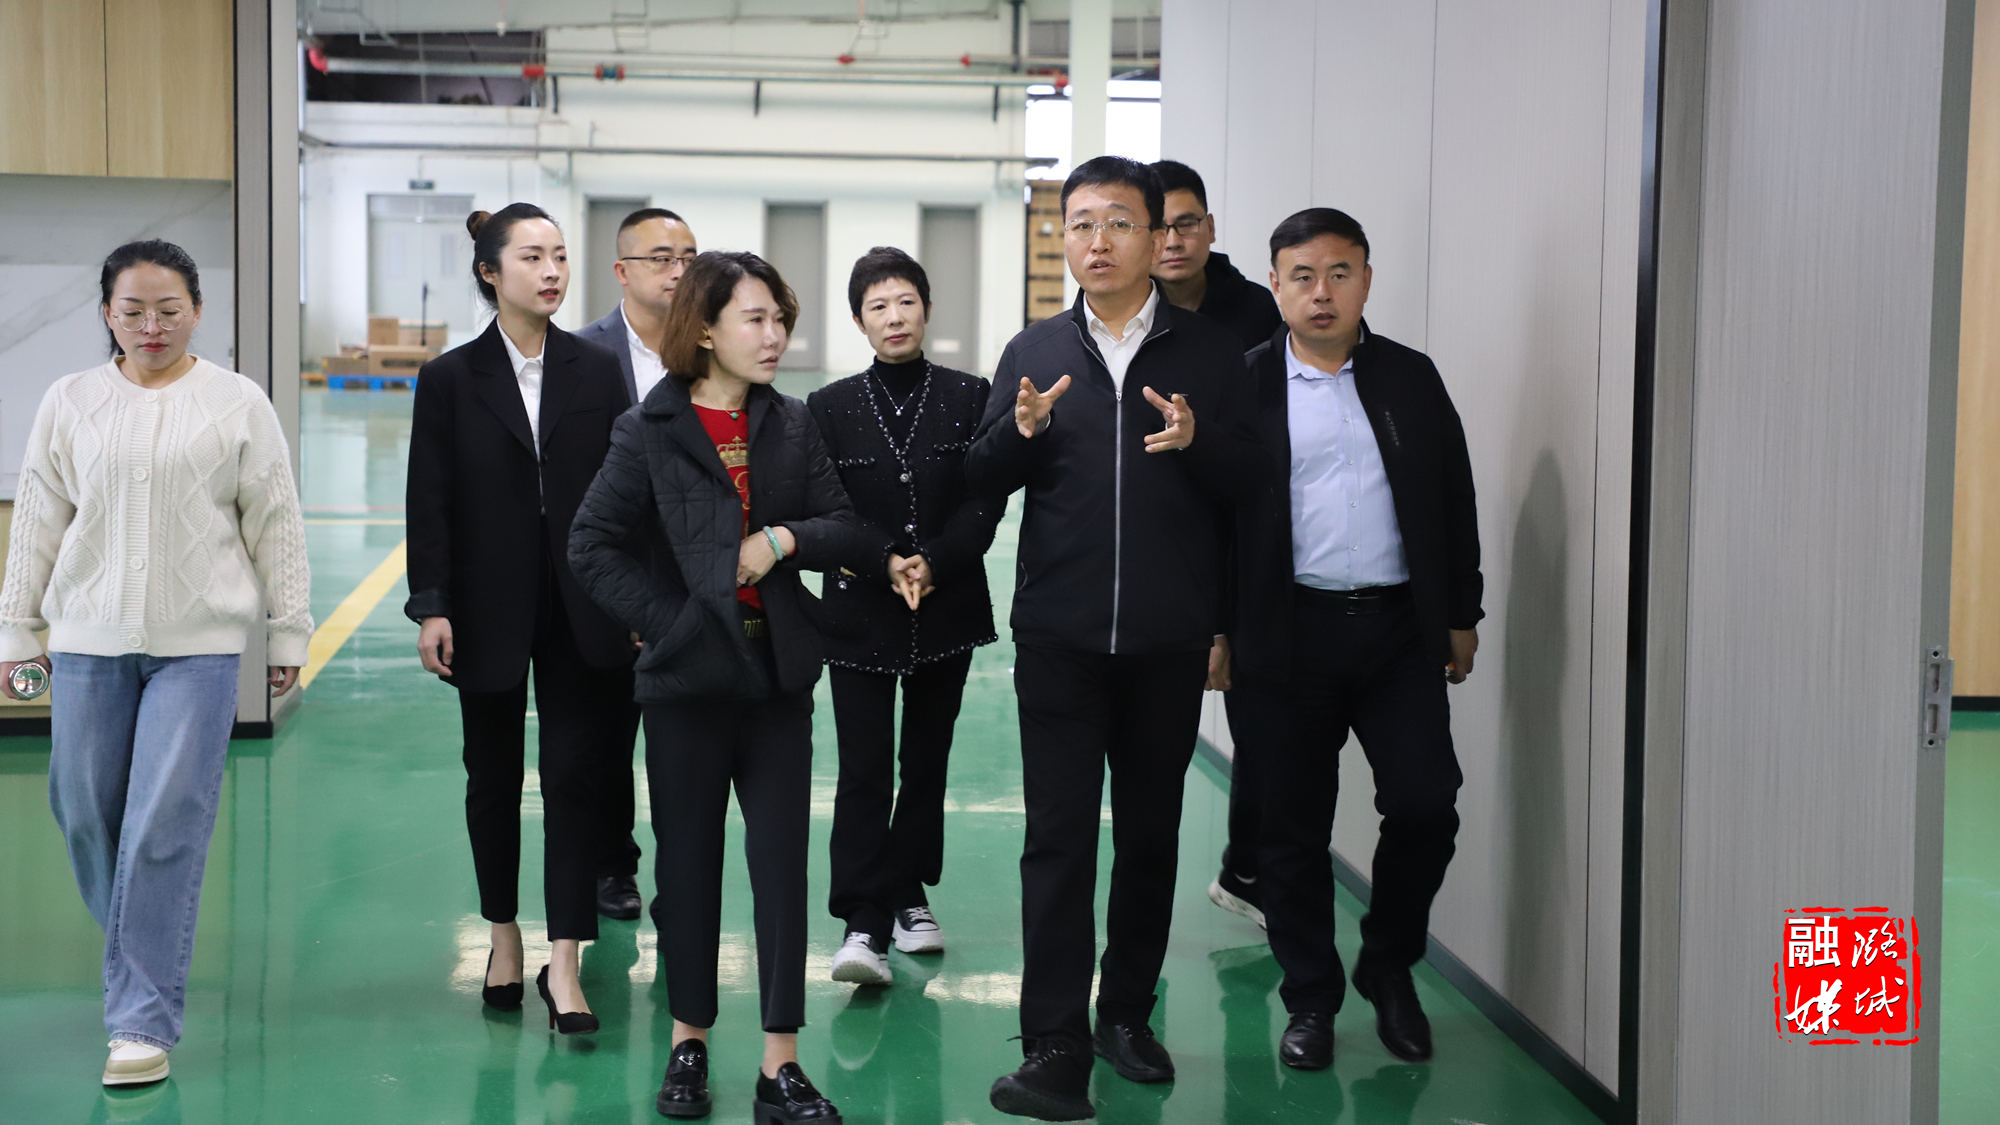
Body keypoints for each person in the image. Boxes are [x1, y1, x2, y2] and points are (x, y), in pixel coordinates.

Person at [569, 250, 899, 1124]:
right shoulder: (649, 427)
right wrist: (671, 622)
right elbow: (591, 543)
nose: (774, 334)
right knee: (687, 868)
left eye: (780, 317)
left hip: (777, 678)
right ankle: (689, 1042)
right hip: (687, 684)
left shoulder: (790, 422)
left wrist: (782, 540)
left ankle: (779, 1063)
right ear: (706, 330)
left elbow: (842, 525)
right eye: (755, 318)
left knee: (781, 868)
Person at [967, 156, 1253, 1122]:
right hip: (1061, 638)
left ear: (1155, 235)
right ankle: (1054, 1039)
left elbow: (1252, 486)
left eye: (1119, 222)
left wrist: (1200, 446)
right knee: (1056, 840)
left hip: (1169, 641)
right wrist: (1017, 431)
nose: (1097, 241)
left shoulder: (1211, 353)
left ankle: (1125, 1014)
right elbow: (981, 476)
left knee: (1149, 837)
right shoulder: (1035, 348)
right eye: (1080, 222)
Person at [0, 240, 313, 1088]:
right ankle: (140, 944)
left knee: (165, 821)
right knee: (84, 811)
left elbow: (275, 519)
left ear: (197, 311)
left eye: (169, 310)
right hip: (87, 638)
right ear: (107, 313)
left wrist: (289, 631)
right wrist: (16, 629)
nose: (151, 325)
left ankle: (139, 1016)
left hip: (198, 646)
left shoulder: (237, 401)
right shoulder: (70, 400)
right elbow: (38, 517)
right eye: (133, 310)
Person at [1227, 207, 1482, 1070]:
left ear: (1367, 278)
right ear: (1275, 285)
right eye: (1302, 276)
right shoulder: (1245, 385)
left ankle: (1388, 961)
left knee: (1425, 804)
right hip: (1285, 632)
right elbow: (1217, 520)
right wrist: (1218, 630)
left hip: (1396, 630)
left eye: (1340, 273)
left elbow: (1452, 496)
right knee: (1290, 827)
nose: (1322, 292)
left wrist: (1462, 612)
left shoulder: (1410, 376)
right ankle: (1310, 997)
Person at [403, 203, 639, 1036]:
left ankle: (565, 958)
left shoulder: (597, 369)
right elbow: (428, 498)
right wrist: (431, 603)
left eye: (560, 256)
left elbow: (627, 491)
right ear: (489, 271)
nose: (551, 271)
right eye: (533, 256)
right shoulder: (449, 378)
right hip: (484, 606)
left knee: (576, 778)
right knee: (493, 777)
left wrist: (632, 594)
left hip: (584, 603)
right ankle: (503, 935)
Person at [807, 247, 1003, 987]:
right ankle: (862, 920)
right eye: (878, 306)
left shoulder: (969, 394)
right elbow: (827, 506)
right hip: (860, 607)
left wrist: (936, 560)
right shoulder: (828, 406)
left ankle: (908, 894)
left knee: (925, 762)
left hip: (945, 605)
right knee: (863, 768)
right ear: (859, 320)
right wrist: (886, 558)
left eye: (906, 302)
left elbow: (985, 498)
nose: (894, 317)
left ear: (926, 308)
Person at [574, 205, 700, 922]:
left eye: (688, 257)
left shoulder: (711, 348)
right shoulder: (582, 355)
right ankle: (612, 865)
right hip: (611, 582)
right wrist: (619, 596)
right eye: (661, 258)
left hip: (691, 583)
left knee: (684, 746)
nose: (678, 270)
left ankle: (681, 876)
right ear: (622, 270)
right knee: (606, 738)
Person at [1148, 159, 1283, 350]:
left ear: (1210, 228)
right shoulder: (1118, 311)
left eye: (1186, 224)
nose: (1173, 243)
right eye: (1157, 228)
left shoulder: (1256, 306)